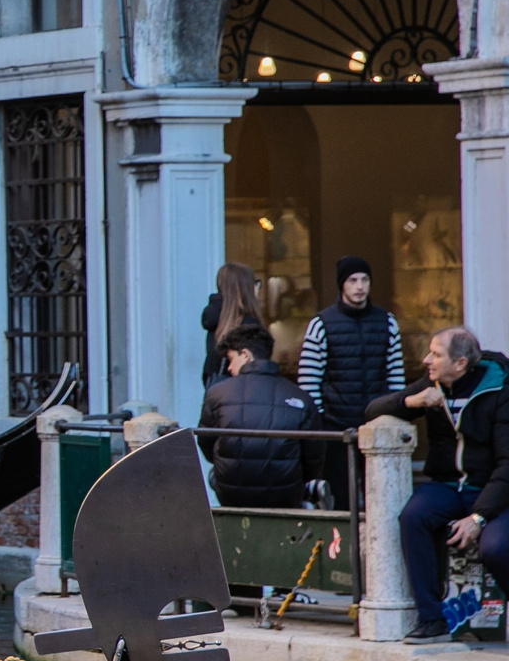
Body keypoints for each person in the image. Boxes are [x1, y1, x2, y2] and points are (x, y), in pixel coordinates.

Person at [366, 326, 509, 641]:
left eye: (436, 354)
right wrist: (413, 402)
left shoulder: (499, 389)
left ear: (459, 363)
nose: (426, 359)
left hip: (494, 492)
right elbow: (372, 410)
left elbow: (507, 464)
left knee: (496, 548)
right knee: (413, 517)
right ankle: (432, 620)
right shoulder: (434, 383)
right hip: (448, 486)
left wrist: (478, 517)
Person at [297, 256, 404, 508]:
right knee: (342, 499)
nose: (359, 286)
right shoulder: (321, 324)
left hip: (379, 425)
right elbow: (309, 382)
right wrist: (322, 423)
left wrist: (395, 415)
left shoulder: (386, 322)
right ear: (341, 285)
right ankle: (346, 547)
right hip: (337, 428)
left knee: (381, 499)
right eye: (353, 280)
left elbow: (396, 376)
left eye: (365, 280)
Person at [196, 326, 317, 507]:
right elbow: (313, 458)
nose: (229, 367)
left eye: (230, 359)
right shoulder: (300, 398)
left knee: (214, 474)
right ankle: (310, 496)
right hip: (285, 493)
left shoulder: (217, 393)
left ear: (245, 355)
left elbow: (206, 444)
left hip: (231, 492)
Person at [199, 263, 265, 388]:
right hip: (243, 394)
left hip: (218, 396)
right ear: (247, 288)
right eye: (255, 283)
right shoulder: (249, 325)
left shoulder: (217, 321)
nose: (257, 288)